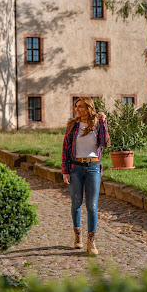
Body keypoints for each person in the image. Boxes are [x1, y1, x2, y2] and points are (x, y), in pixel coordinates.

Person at [62, 97, 110, 255]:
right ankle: (78, 238)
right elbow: (65, 149)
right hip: (75, 168)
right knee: (76, 203)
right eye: (76, 106)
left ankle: (92, 242)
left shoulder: (97, 124)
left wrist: (103, 122)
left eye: (81, 106)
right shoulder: (72, 125)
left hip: (93, 168)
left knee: (92, 206)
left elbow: (105, 142)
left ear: (90, 107)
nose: (78, 109)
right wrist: (65, 170)